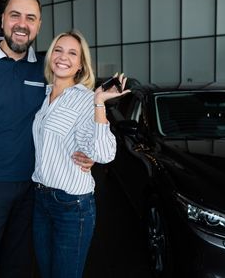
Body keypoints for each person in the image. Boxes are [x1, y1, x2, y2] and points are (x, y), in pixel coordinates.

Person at [0, 0, 93, 278]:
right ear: (2, 20)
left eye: (30, 18)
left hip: (34, 188)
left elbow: (69, 118)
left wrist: (89, 153)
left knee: (19, 268)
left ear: (38, 25)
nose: (22, 24)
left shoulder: (46, 69)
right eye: (15, 15)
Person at [31, 29, 129, 278]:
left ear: (80, 65)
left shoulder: (86, 99)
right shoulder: (45, 96)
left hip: (71, 205)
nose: (63, 57)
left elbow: (106, 154)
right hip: (41, 200)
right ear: (50, 56)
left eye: (72, 53)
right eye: (58, 50)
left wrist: (99, 102)